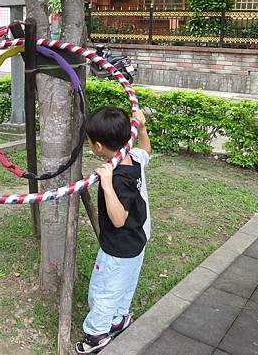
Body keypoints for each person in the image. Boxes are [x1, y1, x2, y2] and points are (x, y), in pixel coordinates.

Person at [75, 106, 152, 354]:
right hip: (137, 241)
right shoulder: (134, 158)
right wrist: (142, 127)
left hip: (118, 248)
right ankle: (119, 319)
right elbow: (146, 150)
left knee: (104, 289)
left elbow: (119, 219)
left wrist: (107, 185)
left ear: (97, 146)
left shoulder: (117, 177)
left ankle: (96, 335)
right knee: (125, 284)